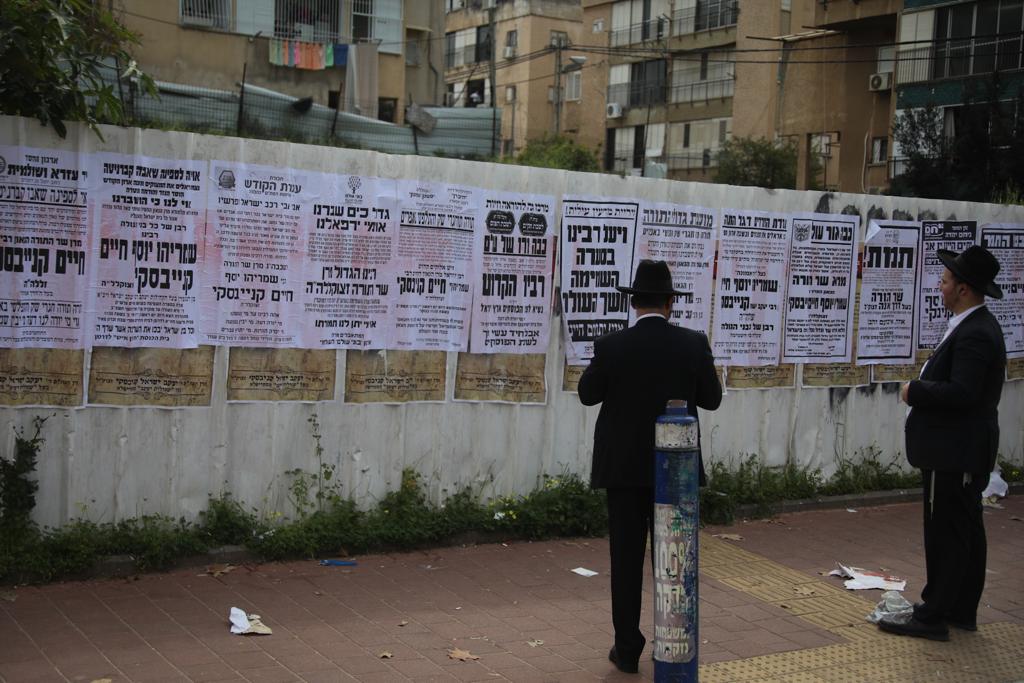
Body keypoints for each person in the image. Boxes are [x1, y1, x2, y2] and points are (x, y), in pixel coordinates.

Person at [577, 259, 723, 673]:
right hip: (675, 474)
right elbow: (712, 399)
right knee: (673, 562)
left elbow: (588, 394)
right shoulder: (693, 344)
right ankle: (671, 644)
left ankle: (627, 649)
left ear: (634, 302)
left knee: (625, 562)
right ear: (670, 302)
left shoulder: (612, 346)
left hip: (623, 473)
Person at [878, 245, 1006, 642]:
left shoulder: (976, 332)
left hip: (954, 452)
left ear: (964, 289)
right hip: (958, 450)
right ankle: (958, 608)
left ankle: (934, 614)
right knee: (963, 528)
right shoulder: (971, 325)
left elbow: (963, 392)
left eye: (946, 280)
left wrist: (914, 391)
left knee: (946, 532)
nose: (940, 285)